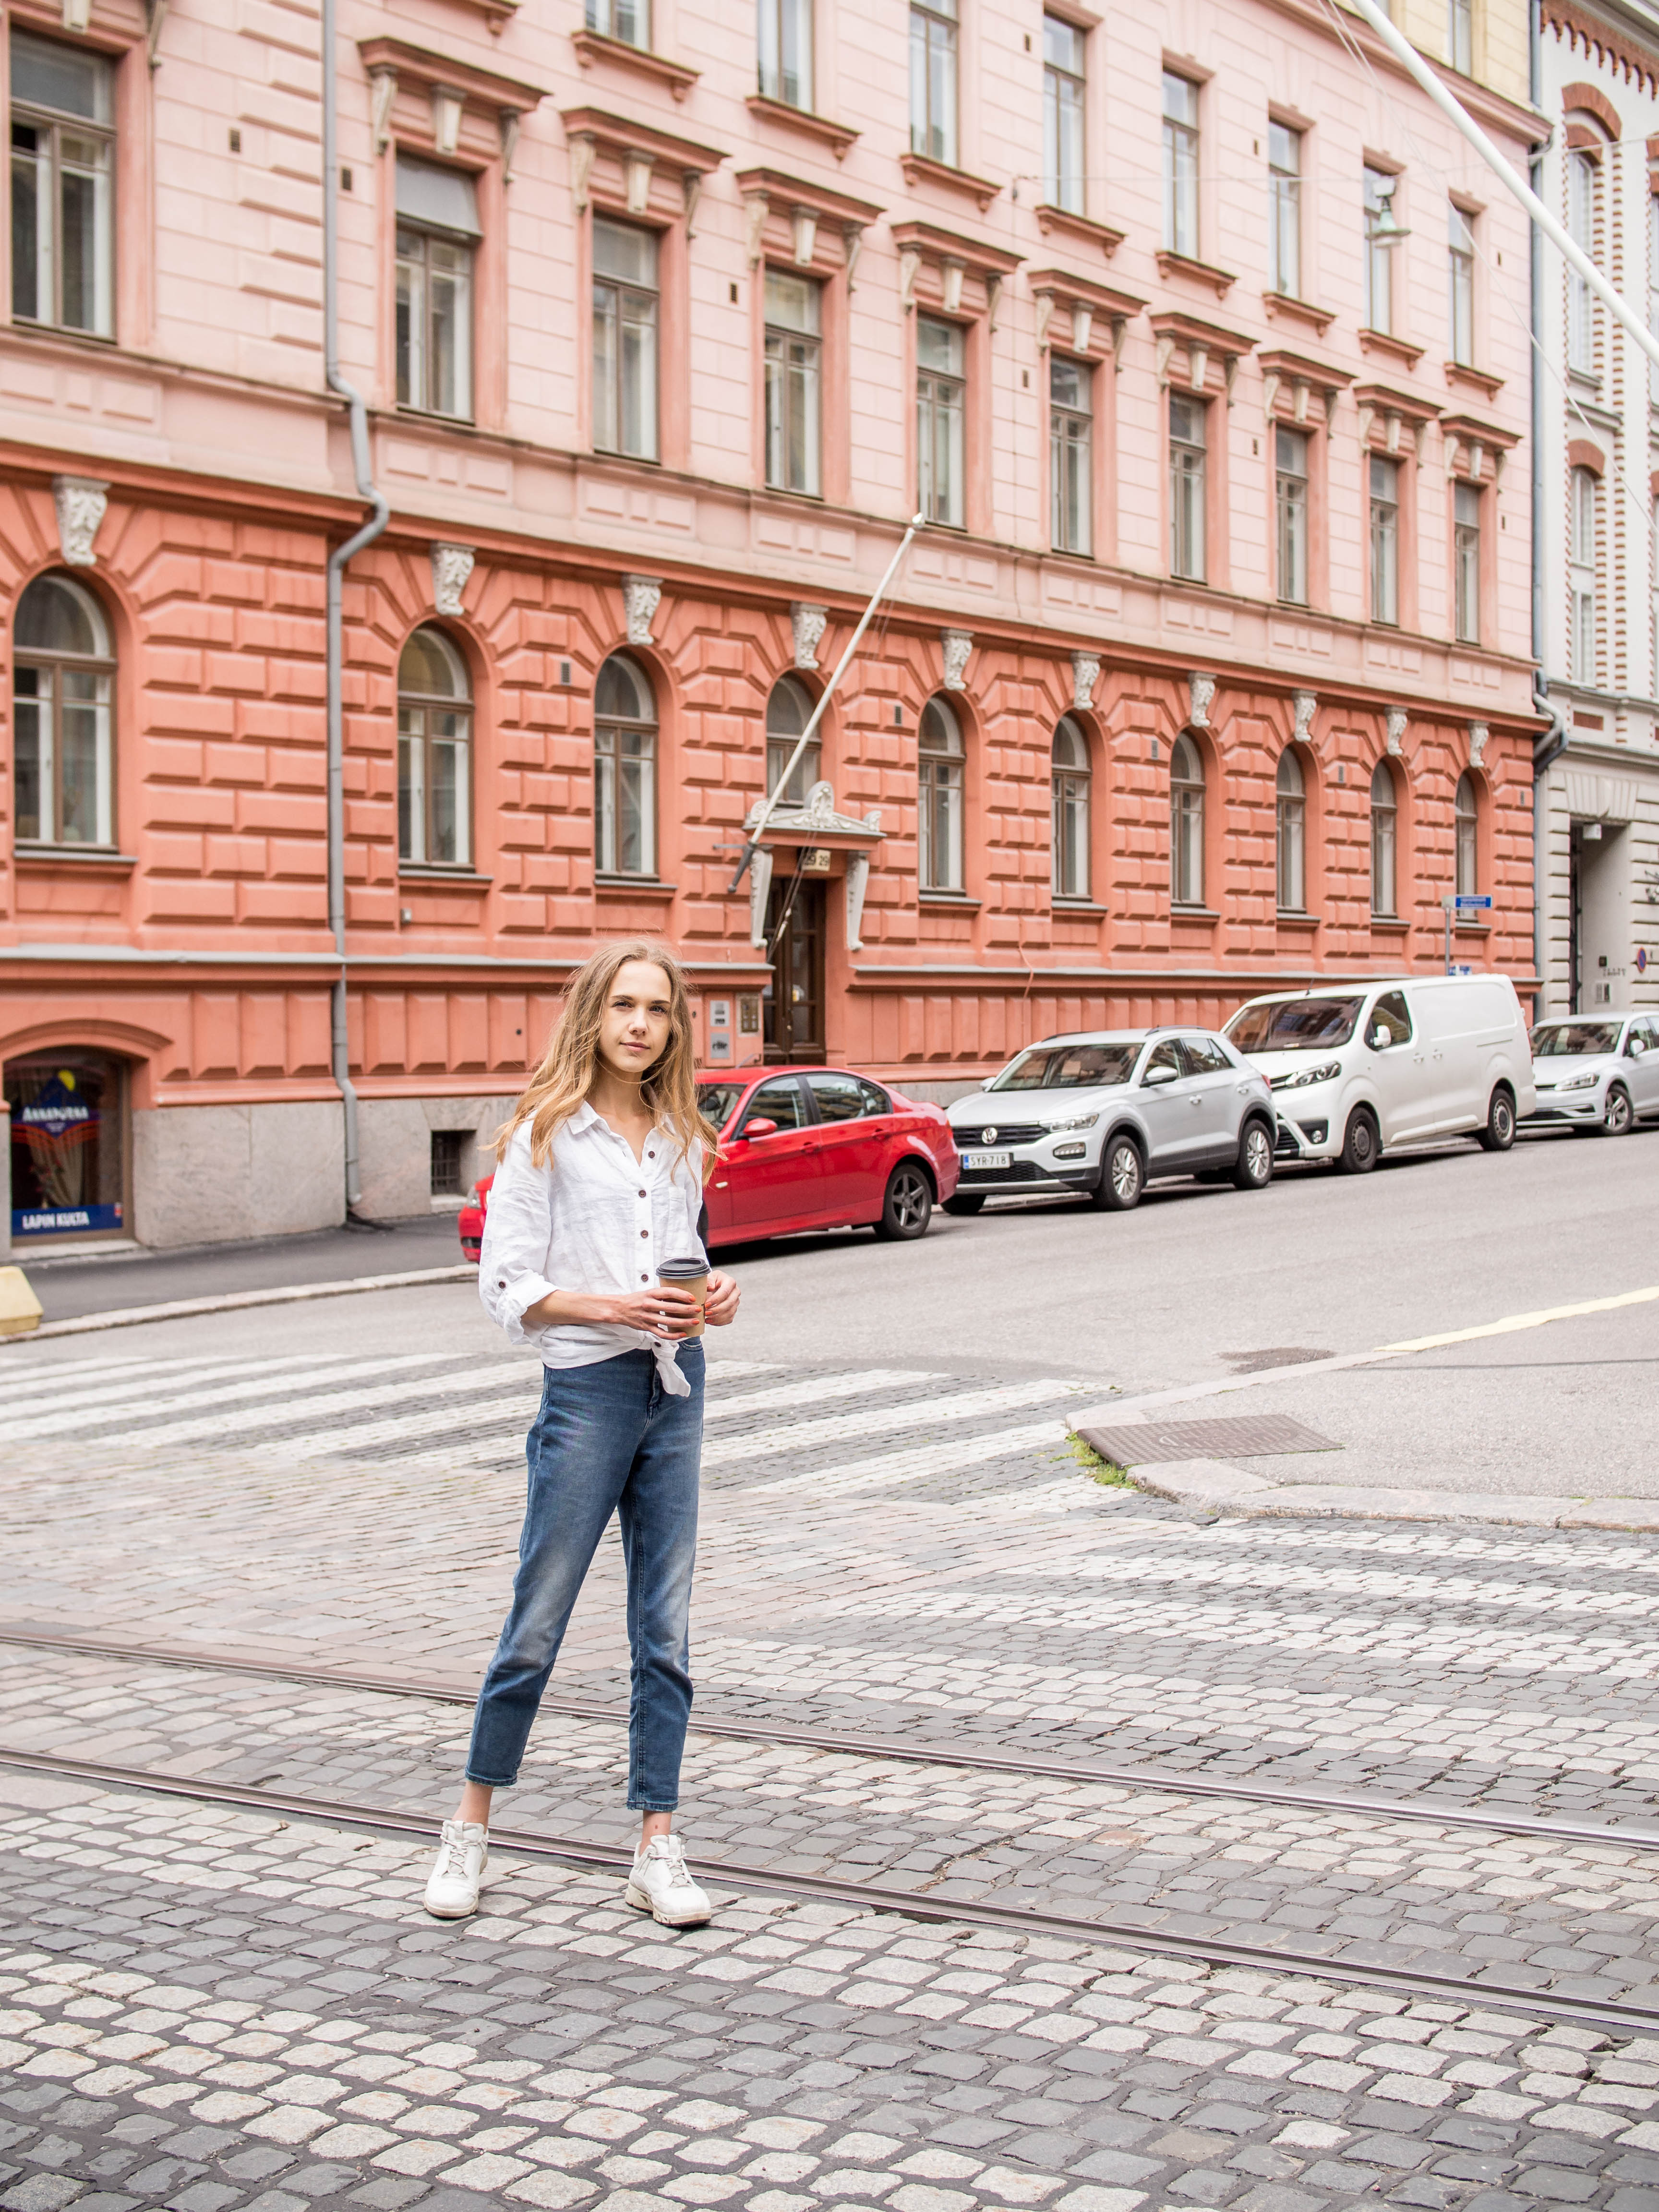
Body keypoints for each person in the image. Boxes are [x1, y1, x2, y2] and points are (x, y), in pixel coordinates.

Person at [422, 939, 740, 1928]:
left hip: (676, 1388)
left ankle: (657, 1843)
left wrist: (715, 1296)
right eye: (624, 1007)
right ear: (593, 1018)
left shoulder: (684, 1135)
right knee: (541, 1618)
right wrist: (609, 1310)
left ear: (673, 1028)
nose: (641, 1024)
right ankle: (470, 1826)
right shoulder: (544, 1135)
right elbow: (505, 1288)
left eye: (658, 1010)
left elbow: (681, 1260)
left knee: (666, 1626)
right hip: (589, 1394)